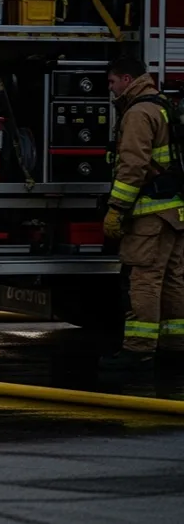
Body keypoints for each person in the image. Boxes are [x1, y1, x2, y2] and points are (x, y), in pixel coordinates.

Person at [101, 57, 184, 370]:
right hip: (174, 210)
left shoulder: (138, 112)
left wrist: (116, 208)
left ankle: (138, 351)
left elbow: (133, 165)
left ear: (126, 79)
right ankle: (175, 346)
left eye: (112, 82)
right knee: (173, 279)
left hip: (149, 214)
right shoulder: (163, 105)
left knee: (145, 279)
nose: (111, 89)